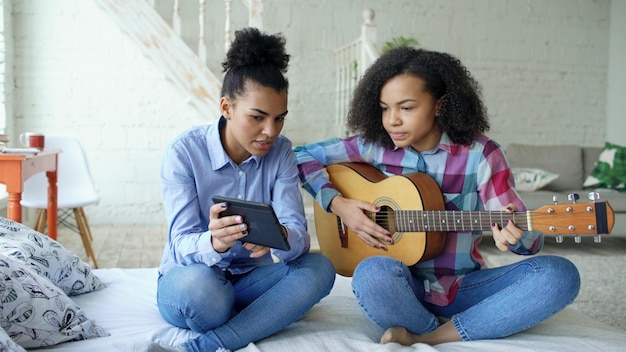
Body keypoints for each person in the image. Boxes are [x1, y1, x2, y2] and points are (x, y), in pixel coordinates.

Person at [294, 47, 580, 346]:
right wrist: (340, 206)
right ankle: (456, 327)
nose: (392, 120)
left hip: (463, 287)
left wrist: (516, 235)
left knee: (560, 275)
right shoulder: (375, 146)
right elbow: (298, 155)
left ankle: (432, 336)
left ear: (439, 105)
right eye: (384, 108)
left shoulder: (481, 154)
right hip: (403, 285)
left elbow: (526, 237)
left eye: (406, 108)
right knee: (370, 273)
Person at [154, 27, 335, 352]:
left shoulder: (281, 152)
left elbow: (299, 237)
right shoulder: (183, 153)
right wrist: (215, 242)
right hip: (193, 279)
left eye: (279, 118)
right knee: (204, 296)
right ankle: (264, 314)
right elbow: (179, 245)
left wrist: (278, 236)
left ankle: (209, 344)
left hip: (252, 281)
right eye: (258, 117)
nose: (270, 131)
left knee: (320, 269)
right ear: (226, 107)